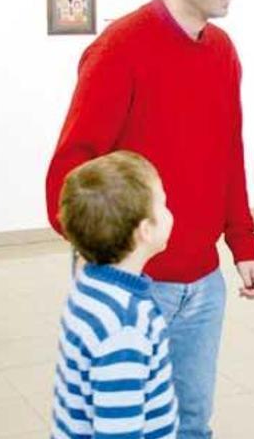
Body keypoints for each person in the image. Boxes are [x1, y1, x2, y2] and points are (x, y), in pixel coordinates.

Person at [44, 0, 254, 437]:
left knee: (189, 424)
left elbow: (229, 152)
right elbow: (69, 176)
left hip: (203, 283)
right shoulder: (119, 48)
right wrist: (105, 261)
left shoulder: (223, 50)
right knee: (123, 424)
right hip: (134, 281)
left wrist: (242, 242)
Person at [51, 150, 177, 438]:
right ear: (145, 230)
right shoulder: (126, 326)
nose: (170, 212)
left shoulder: (89, 288)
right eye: (164, 204)